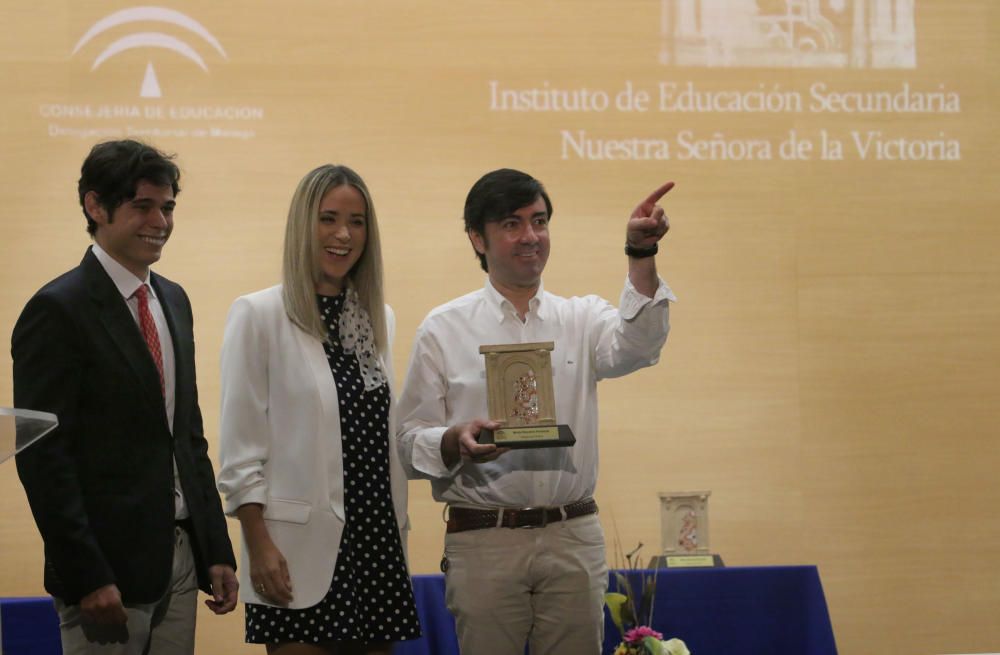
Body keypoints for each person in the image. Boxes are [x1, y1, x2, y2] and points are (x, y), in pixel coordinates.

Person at [396, 168, 676, 655]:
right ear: (476, 239)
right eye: (511, 224)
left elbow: (639, 347)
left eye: (539, 221)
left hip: (572, 534)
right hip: (484, 537)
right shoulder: (442, 328)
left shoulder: (582, 317)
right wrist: (451, 439)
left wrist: (641, 255)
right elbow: (406, 440)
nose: (530, 237)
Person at [12, 139, 238, 654]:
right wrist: (87, 575)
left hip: (180, 562)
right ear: (96, 206)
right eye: (143, 205)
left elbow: (187, 437)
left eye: (168, 206)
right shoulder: (57, 309)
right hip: (105, 575)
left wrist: (215, 549)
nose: (160, 220)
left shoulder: (174, 300)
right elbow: (43, 458)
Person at [217, 164, 421, 654]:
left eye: (356, 221)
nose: (343, 234)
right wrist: (258, 544)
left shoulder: (379, 319)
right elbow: (241, 452)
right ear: (302, 225)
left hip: (376, 545)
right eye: (328, 218)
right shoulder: (259, 314)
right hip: (293, 553)